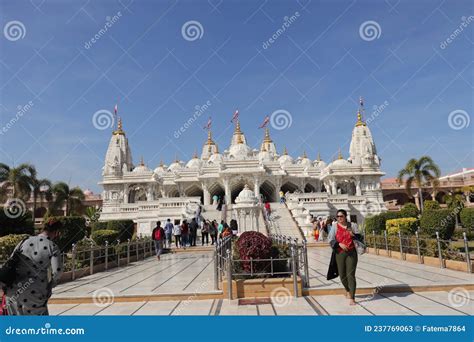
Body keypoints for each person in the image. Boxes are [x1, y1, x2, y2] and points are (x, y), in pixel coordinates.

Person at [3, 218, 63, 315]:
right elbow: (57, 271)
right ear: (57, 232)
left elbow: (10, 261)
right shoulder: (52, 246)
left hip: (13, 291)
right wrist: (50, 285)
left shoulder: (24, 241)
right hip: (35, 293)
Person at [328, 209, 360, 305]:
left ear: (345, 216)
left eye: (341, 216)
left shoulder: (352, 225)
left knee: (350, 275)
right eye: (337, 216)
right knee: (342, 275)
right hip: (340, 253)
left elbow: (360, 238)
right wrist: (339, 244)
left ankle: (352, 297)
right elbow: (330, 239)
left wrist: (353, 235)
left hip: (351, 253)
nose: (339, 218)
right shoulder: (335, 227)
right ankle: (347, 289)